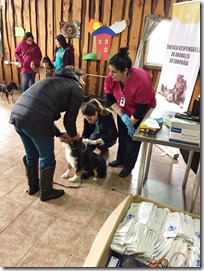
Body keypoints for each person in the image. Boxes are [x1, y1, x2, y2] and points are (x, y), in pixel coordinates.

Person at [9, 66, 85, 201]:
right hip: (35, 120)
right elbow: (69, 121)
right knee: (47, 157)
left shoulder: (53, 81)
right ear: (78, 77)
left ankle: (33, 187)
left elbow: (41, 107)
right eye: (83, 79)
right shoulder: (75, 87)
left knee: (31, 154)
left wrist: (58, 133)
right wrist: (76, 138)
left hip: (17, 115)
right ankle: (46, 192)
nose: (83, 83)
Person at [104, 47, 156, 178]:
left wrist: (131, 122)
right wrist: (122, 115)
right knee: (122, 135)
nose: (111, 74)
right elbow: (109, 97)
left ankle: (128, 166)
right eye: (110, 70)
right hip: (123, 109)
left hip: (141, 111)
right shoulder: (111, 77)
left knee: (132, 140)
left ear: (125, 71)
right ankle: (120, 159)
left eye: (114, 72)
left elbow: (142, 107)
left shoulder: (141, 81)